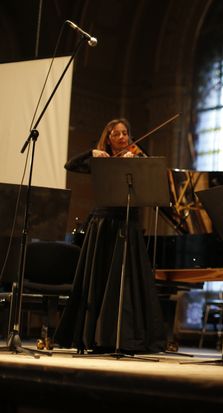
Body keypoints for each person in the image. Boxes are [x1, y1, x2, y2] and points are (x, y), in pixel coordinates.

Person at [55, 118, 166, 353]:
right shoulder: (99, 160)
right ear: (108, 138)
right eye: (116, 134)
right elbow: (70, 165)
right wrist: (91, 152)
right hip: (102, 224)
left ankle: (126, 337)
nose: (122, 137)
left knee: (125, 282)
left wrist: (135, 160)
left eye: (125, 133)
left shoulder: (136, 157)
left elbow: (155, 173)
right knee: (99, 279)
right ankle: (92, 336)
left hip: (127, 224)